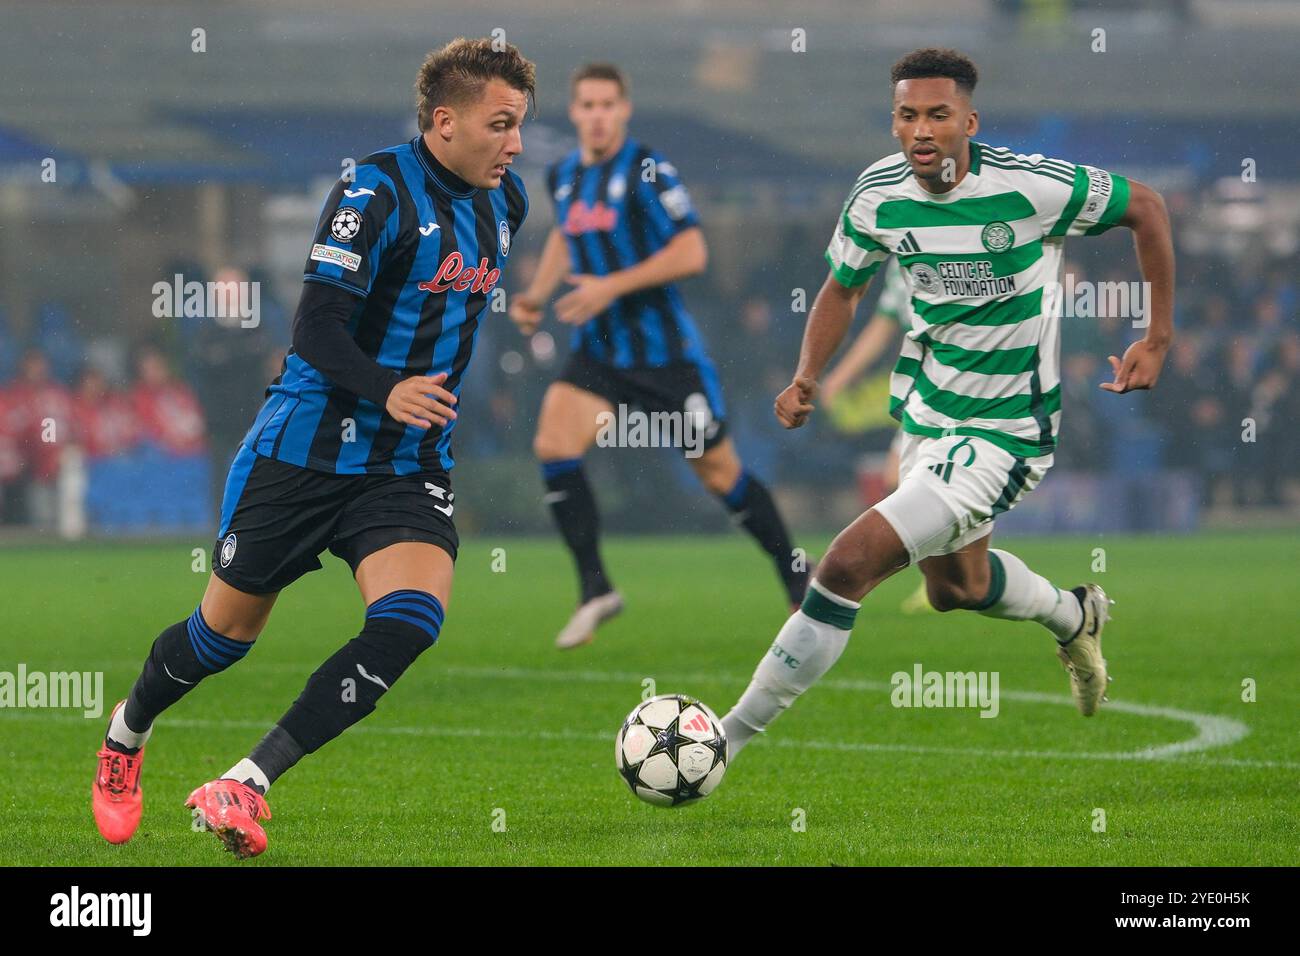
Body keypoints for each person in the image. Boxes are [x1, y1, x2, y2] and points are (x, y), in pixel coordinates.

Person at [91, 37, 535, 859]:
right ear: (444, 122)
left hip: (404, 464)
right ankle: (125, 734)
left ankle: (245, 782)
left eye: (520, 127)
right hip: (303, 448)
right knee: (220, 639)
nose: (515, 144)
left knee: (409, 621)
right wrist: (388, 387)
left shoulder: (505, 207)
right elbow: (316, 327)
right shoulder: (374, 189)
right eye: (500, 124)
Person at [720, 47, 1175, 763]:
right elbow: (843, 286)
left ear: (969, 119)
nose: (922, 130)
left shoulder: (1032, 187)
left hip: (1006, 434)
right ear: (894, 122)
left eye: (938, 115)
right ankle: (1073, 613)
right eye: (907, 115)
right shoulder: (876, 192)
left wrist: (1157, 335)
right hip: (928, 415)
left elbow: (1146, 207)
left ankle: (722, 742)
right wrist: (808, 373)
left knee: (844, 564)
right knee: (955, 589)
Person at [509, 63, 806, 649]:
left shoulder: (647, 169)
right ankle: (596, 589)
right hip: (599, 352)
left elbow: (692, 251)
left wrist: (610, 286)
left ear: (624, 111)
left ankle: (798, 580)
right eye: (586, 105)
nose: (596, 115)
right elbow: (568, 237)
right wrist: (539, 295)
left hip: (665, 357)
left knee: (720, 475)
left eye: (606, 105)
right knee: (553, 443)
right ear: (574, 113)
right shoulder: (565, 175)